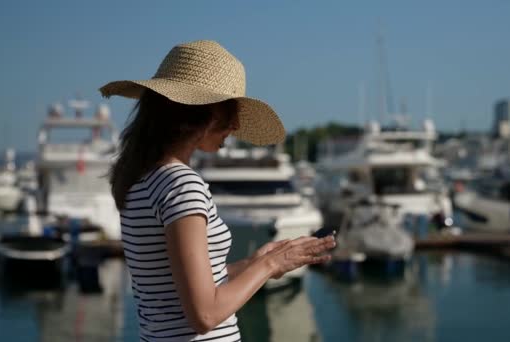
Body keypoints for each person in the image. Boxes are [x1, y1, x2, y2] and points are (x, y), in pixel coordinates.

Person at [100, 40, 336, 342]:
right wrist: (271, 264)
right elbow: (204, 315)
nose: (235, 125)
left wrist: (254, 265)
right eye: (230, 111)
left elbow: (179, 286)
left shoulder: (141, 180)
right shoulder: (182, 185)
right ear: (201, 112)